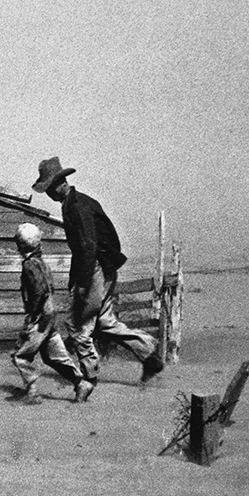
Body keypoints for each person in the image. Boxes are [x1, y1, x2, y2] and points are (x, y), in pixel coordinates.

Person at [31, 157, 164, 398]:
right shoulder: (74, 203)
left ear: (60, 184)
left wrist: (82, 284)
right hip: (100, 267)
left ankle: (88, 378)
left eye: (49, 188)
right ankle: (149, 354)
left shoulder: (77, 207)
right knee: (105, 323)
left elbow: (87, 246)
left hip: (95, 268)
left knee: (77, 325)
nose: (48, 194)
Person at [9, 222, 85, 404]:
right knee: (54, 355)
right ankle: (81, 383)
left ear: (21, 245)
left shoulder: (29, 265)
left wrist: (33, 315)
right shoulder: (42, 263)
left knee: (20, 355)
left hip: (41, 315)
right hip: (50, 314)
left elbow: (39, 291)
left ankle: (32, 392)